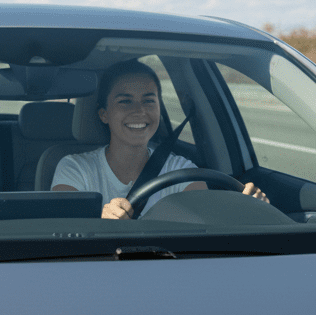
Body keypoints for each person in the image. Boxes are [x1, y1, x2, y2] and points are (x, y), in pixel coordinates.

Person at [52, 60, 269, 220]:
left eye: (148, 101)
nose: (139, 111)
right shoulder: (75, 168)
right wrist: (100, 220)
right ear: (104, 114)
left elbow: (206, 223)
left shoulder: (181, 170)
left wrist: (250, 211)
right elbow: (62, 229)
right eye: (125, 101)